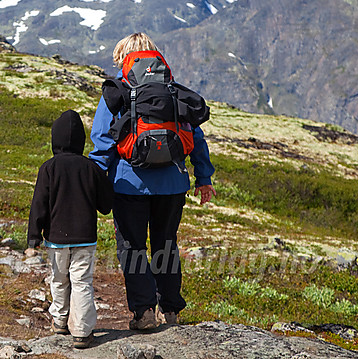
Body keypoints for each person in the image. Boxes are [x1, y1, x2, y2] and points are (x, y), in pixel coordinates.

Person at [89, 33, 216, 331]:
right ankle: (170, 310)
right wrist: (204, 177)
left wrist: (92, 181)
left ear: (123, 58)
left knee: (132, 247)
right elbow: (196, 137)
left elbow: (102, 140)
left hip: (128, 184)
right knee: (166, 244)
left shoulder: (117, 91)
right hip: (172, 184)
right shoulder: (173, 92)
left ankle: (144, 311)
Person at [27, 110, 113, 349]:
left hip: (55, 239)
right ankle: (83, 333)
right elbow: (106, 206)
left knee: (59, 279)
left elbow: (39, 204)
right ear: (80, 141)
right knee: (82, 282)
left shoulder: (48, 168)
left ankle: (60, 321)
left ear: (55, 139)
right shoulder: (91, 168)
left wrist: (33, 236)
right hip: (85, 238)